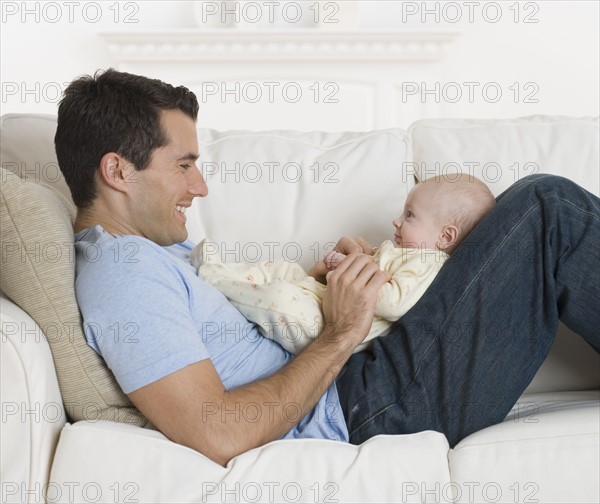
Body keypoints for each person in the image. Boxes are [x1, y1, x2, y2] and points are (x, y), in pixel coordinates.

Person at [55, 69, 600, 467]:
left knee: (541, 211)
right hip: (371, 409)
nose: (199, 187)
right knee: (548, 209)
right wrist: (340, 333)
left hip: (369, 378)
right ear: (118, 171)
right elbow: (216, 431)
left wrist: (324, 287)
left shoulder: (150, 252)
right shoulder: (123, 277)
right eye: (184, 166)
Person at [192, 175, 496, 354]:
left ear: (445, 236)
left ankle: (214, 280)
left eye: (410, 215)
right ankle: (226, 272)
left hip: (324, 327)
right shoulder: (405, 253)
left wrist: (354, 264)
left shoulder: (428, 265)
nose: (397, 220)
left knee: (279, 298)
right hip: (322, 299)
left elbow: (392, 303)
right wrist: (339, 265)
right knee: (284, 269)